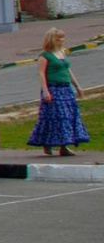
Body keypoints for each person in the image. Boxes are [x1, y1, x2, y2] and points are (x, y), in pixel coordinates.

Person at [28, 27, 89, 157]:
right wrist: (46, 91)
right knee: (56, 116)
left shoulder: (62, 53)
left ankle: (64, 145)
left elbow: (68, 70)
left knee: (68, 116)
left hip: (66, 89)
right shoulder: (45, 56)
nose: (62, 40)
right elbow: (41, 74)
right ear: (52, 40)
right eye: (59, 38)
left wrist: (77, 86)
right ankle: (47, 143)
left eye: (62, 38)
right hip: (53, 89)